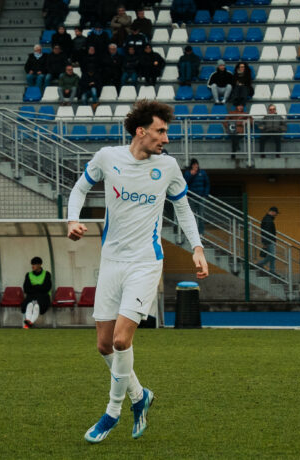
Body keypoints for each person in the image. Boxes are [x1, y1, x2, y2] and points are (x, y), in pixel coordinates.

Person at [67, 99, 207, 443]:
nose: (166, 139)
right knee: (104, 345)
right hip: (111, 262)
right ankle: (139, 395)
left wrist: (198, 248)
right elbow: (80, 187)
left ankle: (112, 412)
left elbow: (183, 209)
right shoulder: (107, 158)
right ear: (141, 131)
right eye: (161, 131)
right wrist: (72, 219)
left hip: (145, 262)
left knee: (121, 339)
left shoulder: (168, 167)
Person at [21, 257, 53, 329]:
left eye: (34, 264)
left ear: (39, 265)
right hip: (31, 296)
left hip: (43, 297)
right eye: (32, 264)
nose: (32, 266)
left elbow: (47, 288)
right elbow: (26, 288)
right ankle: (29, 324)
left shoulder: (46, 274)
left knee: (36, 306)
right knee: (29, 304)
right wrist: (39, 286)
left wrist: (34, 287)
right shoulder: (28, 274)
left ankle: (28, 324)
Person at [254, 207, 279, 275]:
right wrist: (265, 242)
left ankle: (272, 270)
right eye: (276, 213)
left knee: (272, 256)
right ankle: (260, 264)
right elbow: (266, 232)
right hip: (269, 240)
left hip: (269, 240)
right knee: (272, 255)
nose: (276, 215)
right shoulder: (268, 219)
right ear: (272, 212)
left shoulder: (268, 219)